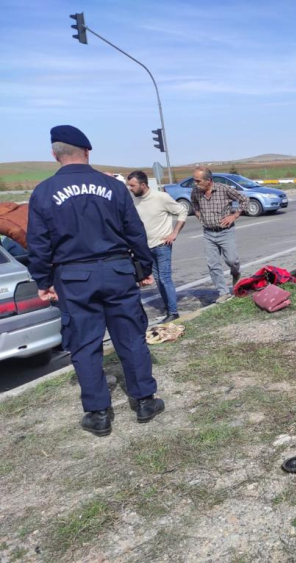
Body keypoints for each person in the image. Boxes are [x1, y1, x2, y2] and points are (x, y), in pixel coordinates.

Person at [26, 125, 164, 437]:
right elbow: (135, 232)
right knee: (130, 337)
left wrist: (43, 281)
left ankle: (99, 414)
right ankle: (144, 401)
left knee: (85, 344)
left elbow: (38, 244)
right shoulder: (114, 187)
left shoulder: (44, 192)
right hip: (116, 272)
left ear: (54, 154)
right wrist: (142, 269)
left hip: (73, 278)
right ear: (87, 152)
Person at [127, 170, 187, 323]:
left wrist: (174, 233)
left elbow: (182, 211)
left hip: (162, 245)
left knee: (165, 278)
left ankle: (173, 312)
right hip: (145, 247)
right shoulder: (134, 199)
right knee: (159, 279)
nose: (130, 188)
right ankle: (169, 308)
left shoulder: (161, 197)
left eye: (132, 185)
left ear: (143, 185)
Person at [190, 165, 250, 302]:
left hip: (225, 232)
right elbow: (194, 203)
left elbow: (244, 199)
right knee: (213, 264)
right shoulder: (196, 191)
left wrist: (234, 216)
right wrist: (199, 215)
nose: (195, 184)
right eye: (195, 180)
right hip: (208, 233)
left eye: (198, 181)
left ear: (209, 180)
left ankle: (236, 273)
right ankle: (223, 292)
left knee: (231, 260)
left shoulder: (224, 189)